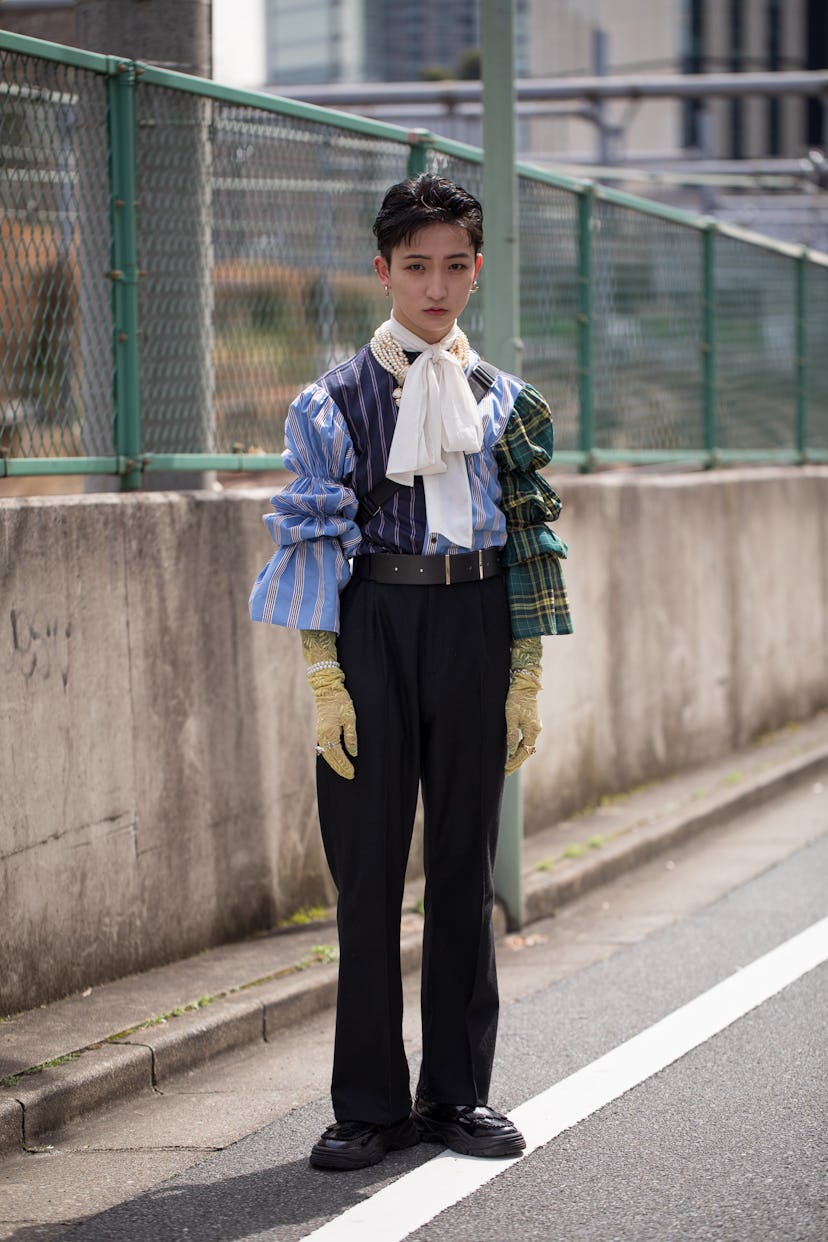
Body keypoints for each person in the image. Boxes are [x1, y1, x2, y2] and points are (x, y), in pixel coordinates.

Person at [249, 174, 571, 1172]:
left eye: (456, 266)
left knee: (466, 868)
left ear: (478, 268)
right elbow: (310, 538)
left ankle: (457, 1096)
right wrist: (323, 677)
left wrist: (524, 667)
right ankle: (370, 1106)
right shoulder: (331, 400)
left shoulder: (507, 403)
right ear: (383, 270)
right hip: (372, 625)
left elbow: (529, 537)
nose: (437, 287)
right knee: (366, 878)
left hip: (475, 619)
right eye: (417, 267)